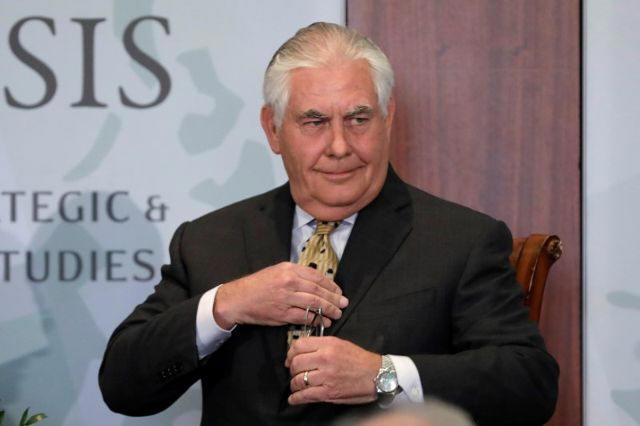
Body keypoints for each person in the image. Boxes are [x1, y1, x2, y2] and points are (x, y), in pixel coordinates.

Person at [99, 22, 558, 425]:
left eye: (358, 119)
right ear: (273, 129)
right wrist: (225, 305)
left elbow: (530, 384)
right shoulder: (211, 240)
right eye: (314, 122)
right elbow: (122, 386)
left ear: (387, 118)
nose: (339, 146)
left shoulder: (460, 240)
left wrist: (384, 375)